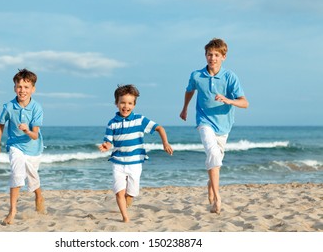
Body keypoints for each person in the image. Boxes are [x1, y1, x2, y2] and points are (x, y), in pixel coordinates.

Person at [179, 38, 249, 214]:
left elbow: (245, 103)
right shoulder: (197, 75)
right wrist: (185, 108)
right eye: (209, 54)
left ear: (223, 57)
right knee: (212, 154)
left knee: (216, 162)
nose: (212, 58)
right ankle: (217, 198)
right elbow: (189, 91)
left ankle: (211, 187)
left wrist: (228, 100)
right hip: (204, 122)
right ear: (205, 55)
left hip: (224, 126)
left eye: (216, 55)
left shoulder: (230, 77)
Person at [99, 84, 173, 222]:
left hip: (135, 163)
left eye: (130, 103)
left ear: (134, 105)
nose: (126, 106)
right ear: (116, 103)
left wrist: (165, 143)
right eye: (122, 102)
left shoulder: (139, 120)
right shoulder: (112, 123)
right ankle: (125, 218)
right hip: (118, 163)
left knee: (131, 194)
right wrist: (106, 146)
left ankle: (127, 203)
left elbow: (159, 128)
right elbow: (108, 141)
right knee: (119, 192)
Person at [0, 68, 45, 225]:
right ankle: (12, 210)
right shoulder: (9, 107)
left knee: (32, 177)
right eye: (19, 86)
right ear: (15, 87)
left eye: (26, 87)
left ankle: (38, 195)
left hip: (34, 148)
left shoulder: (37, 108)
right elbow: (0, 124)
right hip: (15, 146)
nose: (22, 90)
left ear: (33, 89)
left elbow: (35, 135)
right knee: (16, 174)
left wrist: (26, 130)